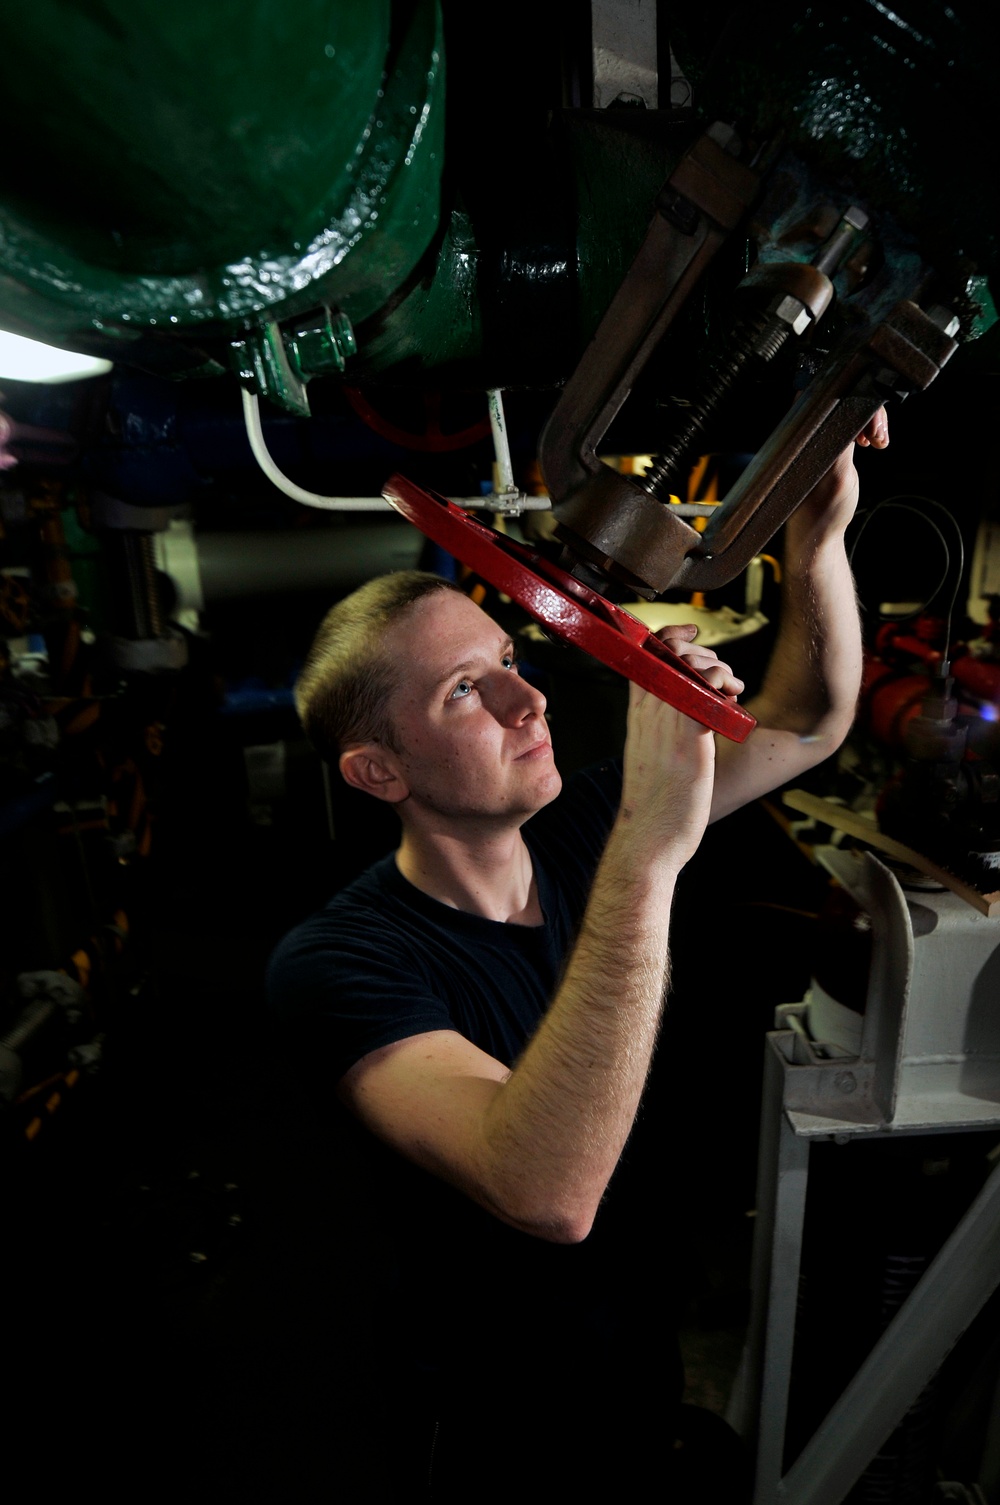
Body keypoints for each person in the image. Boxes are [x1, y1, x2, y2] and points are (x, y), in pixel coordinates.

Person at [267, 413, 888, 1499]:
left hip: (635, 1349)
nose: (529, 697)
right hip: (492, 1418)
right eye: (465, 690)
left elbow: (809, 717)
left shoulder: (572, 824)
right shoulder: (337, 964)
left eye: (507, 657)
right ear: (377, 773)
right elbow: (546, 1190)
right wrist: (649, 850)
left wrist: (818, 536)